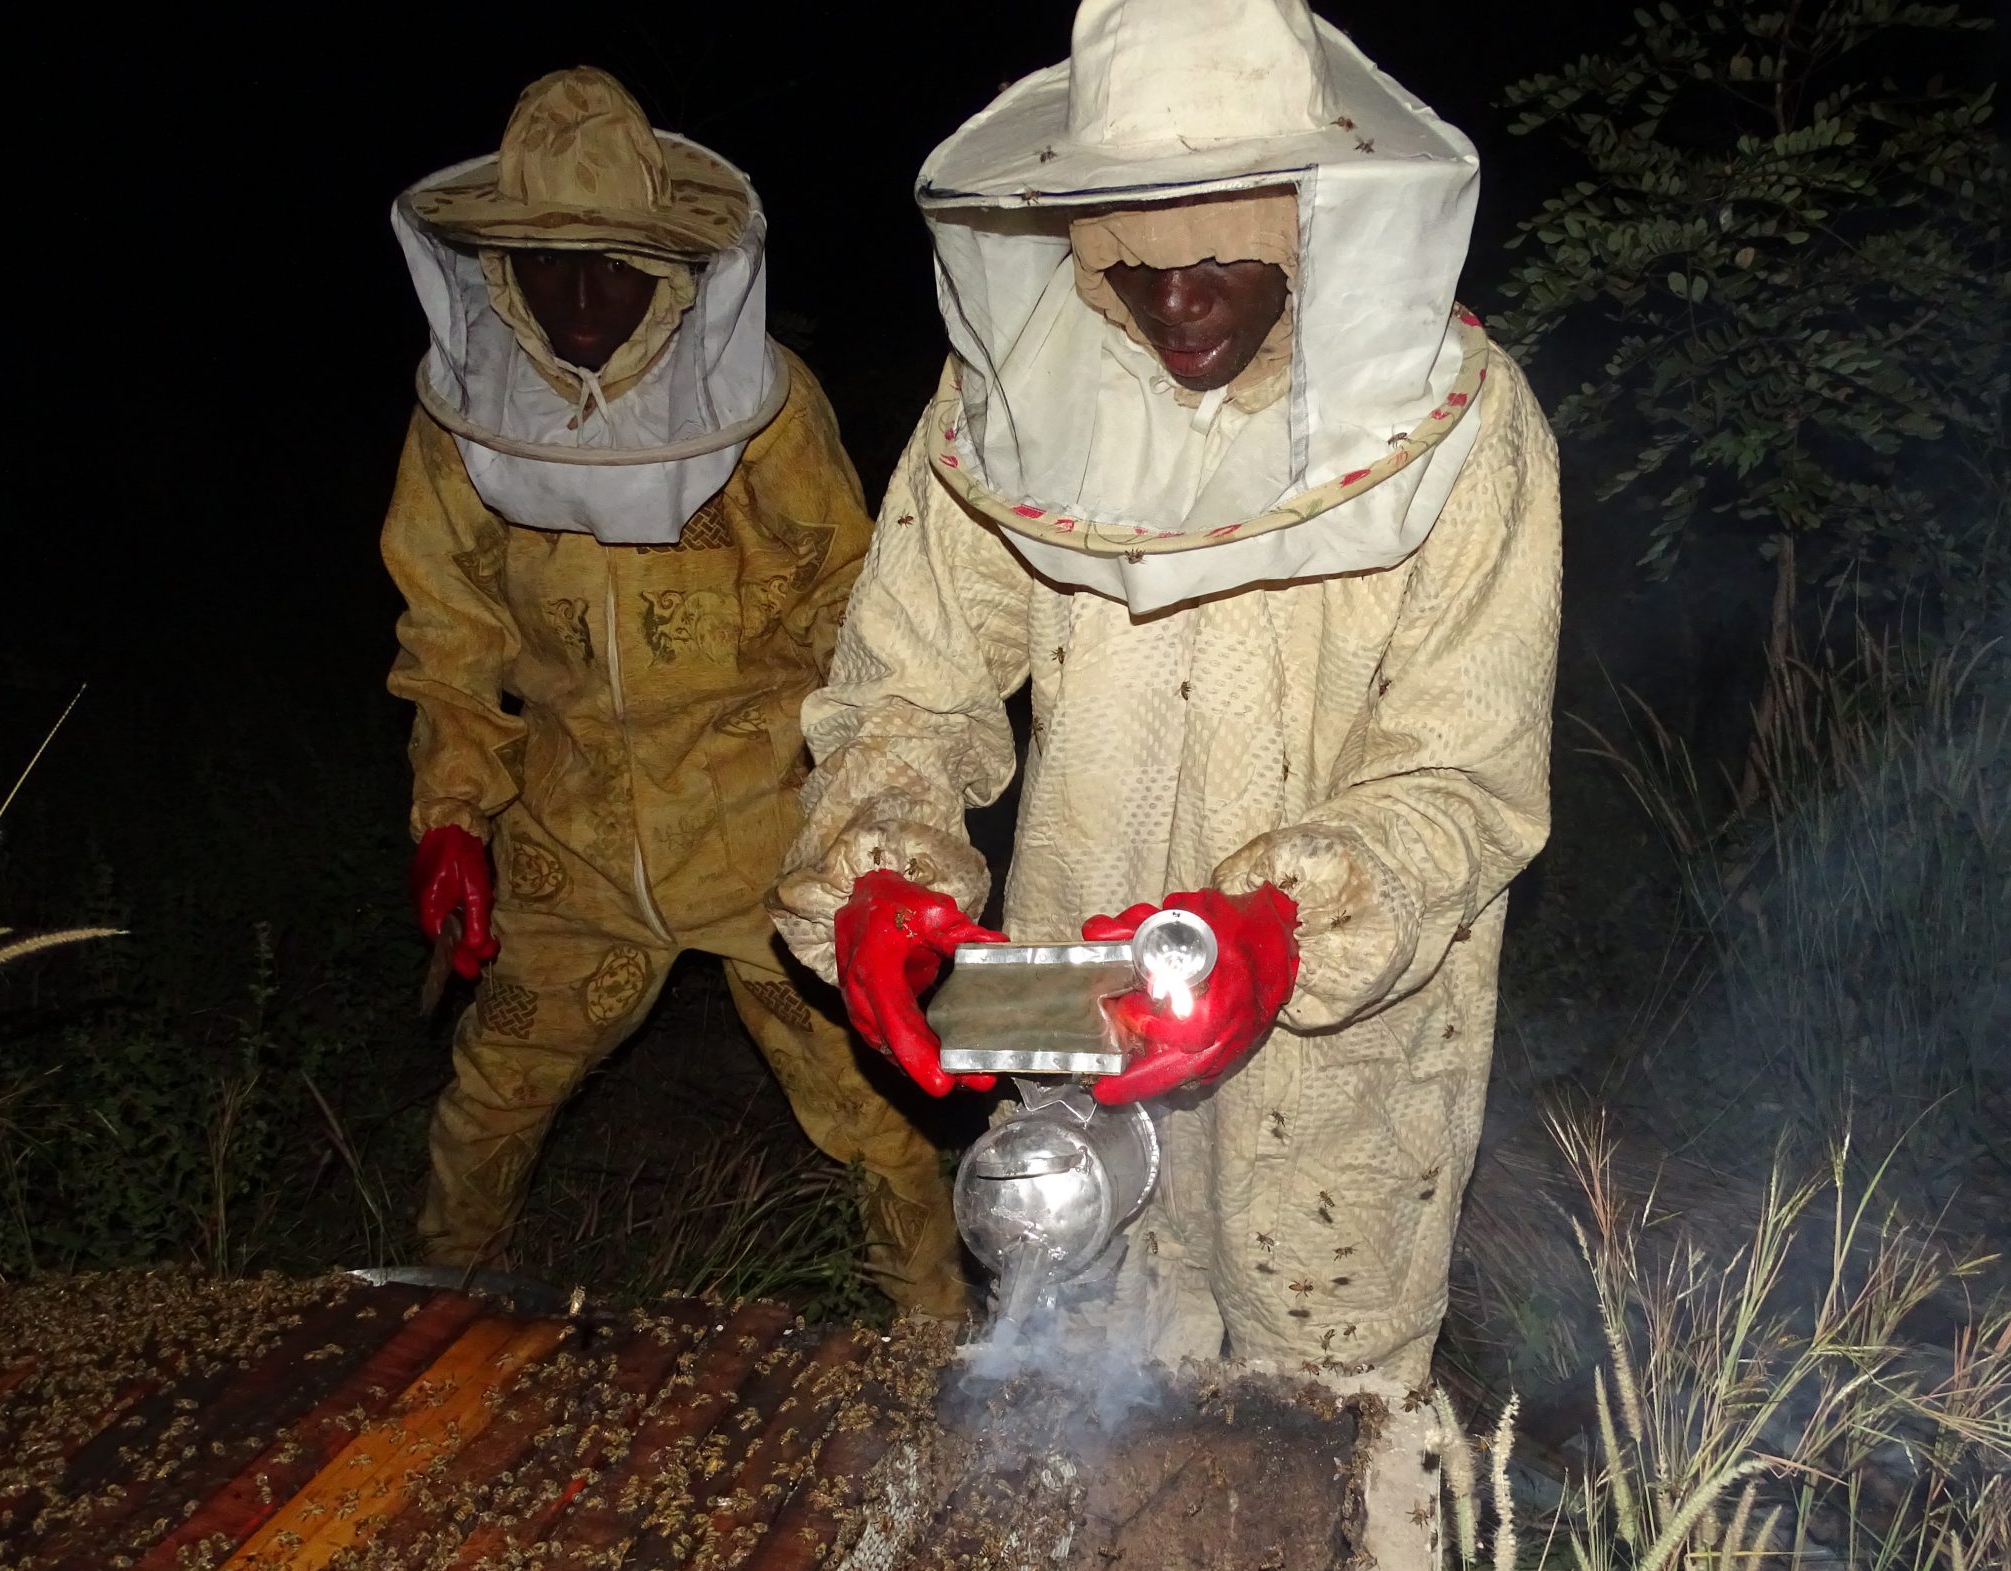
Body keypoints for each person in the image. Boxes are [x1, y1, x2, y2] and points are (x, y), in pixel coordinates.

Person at [771, 0, 1563, 1382]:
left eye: (1220, 257)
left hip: (1341, 1061)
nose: (1177, 301)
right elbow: (910, 686)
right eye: (1136, 260)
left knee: (1321, 1461)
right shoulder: (1000, 414)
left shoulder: (1468, 429)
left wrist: (1286, 919)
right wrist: (880, 878)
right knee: (1085, 1433)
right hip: (1075, 1023)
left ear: (1306, 221)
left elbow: (1466, 770)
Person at [385, 68, 964, 1314]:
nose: (583, 298)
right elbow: (448, 633)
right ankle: (429, 1351)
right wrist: (452, 813)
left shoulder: (757, 409)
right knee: (488, 1106)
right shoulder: (461, 421)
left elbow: (857, 620)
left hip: (764, 831)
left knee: (872, 1119)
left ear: (672, 267)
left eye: (615, 265)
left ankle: (935, 1362)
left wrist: (867, 837)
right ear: (499, 269)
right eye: (552, 264)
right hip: (570, 840)